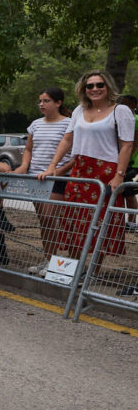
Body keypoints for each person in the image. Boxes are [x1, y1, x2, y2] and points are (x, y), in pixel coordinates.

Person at [42, 70, 135, 265]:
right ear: (84, 89)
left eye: (99, 85)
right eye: (90, 86)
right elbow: (67, 139)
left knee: (100, 222)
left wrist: (119, 176)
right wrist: (52, 166)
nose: (95, 89)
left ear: (108, 86)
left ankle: (93, 271)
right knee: (74, 220)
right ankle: (72, 268)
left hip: (107, 171)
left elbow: (127, 145)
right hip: (80, 170)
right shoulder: (78, 110)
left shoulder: (121, 110)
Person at [15, 87, 72, 268]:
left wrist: (57, 171)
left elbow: (76, 155)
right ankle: (48, 260)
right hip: (36, 179)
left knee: (50, 218)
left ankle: (58, 263)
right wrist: (24, 166)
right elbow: (29, 149)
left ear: (58, 102)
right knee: (44, 221)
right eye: (40, 101)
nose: (41, 104)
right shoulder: (36, 124)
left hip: (57, 180)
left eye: (46, 101)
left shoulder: (69, 123)